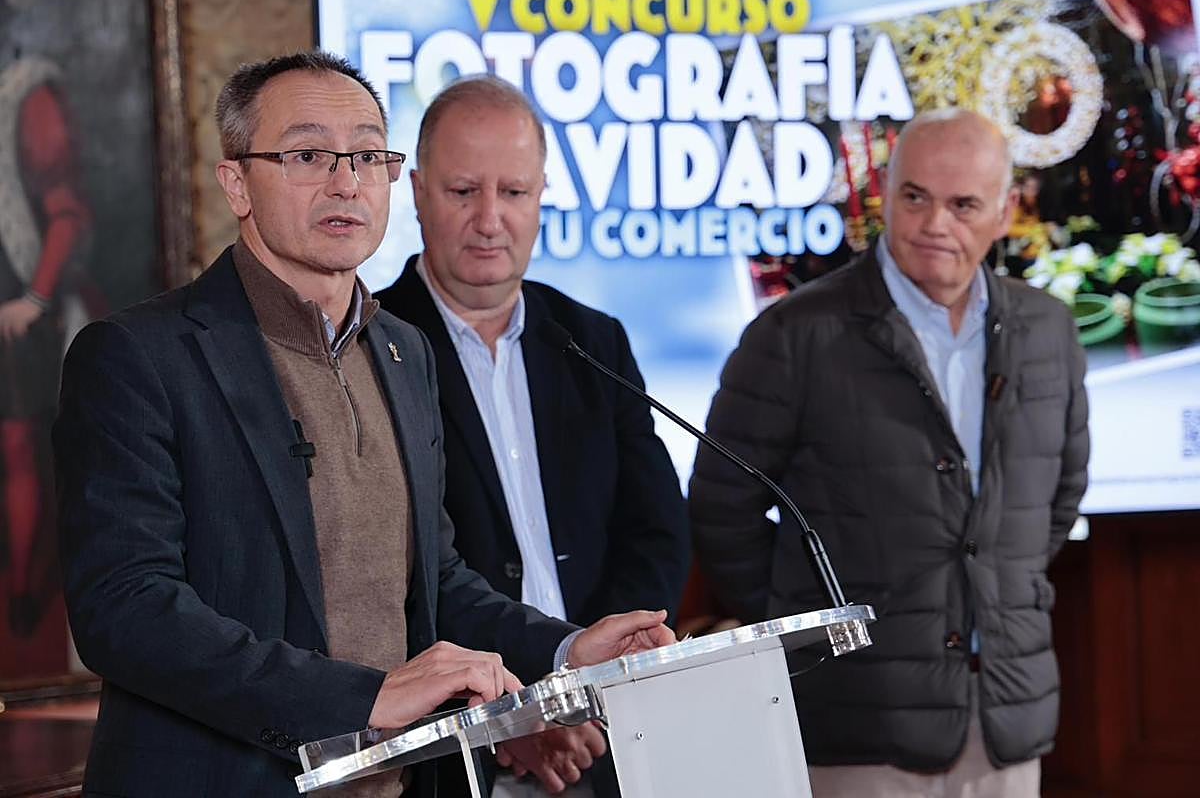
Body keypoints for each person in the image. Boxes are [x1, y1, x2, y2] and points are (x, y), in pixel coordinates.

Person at [54, 51, 672, 798]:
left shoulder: (402, 351)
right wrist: (362, 700)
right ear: (236, 183)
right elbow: (125, 610)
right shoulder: (138, 356)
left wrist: (567, 648)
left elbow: (437, 582)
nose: (346, 181)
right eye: (308, 155)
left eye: (368, 155)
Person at [690, 108, 1089, 797]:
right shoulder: (794, 333)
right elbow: (724, 506)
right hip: (857, 725)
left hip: (1004, 718)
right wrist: (808, 627)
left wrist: (992, 588)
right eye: (916, 198)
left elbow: (1060, 494)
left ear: (1004, 212)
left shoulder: (1049, 329)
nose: (936, 225)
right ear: (887, 196)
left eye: (963, 205)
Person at [375, 75, 689, 797]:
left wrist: (589, 695)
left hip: (606, 733)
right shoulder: (373, 344)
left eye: (513, 193)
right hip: (452, 750)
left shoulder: (590, 339)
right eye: (463, 192)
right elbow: (392, 576)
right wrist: (514, 709)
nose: (490, 219)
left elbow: (657, 533)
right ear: (417, 192)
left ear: (542, 193)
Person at [1, 0, 91, 640]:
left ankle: (25, 597)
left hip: (16, 301)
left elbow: (65, 211)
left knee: (19, 449)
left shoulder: (27, 96)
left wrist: (33, 297)